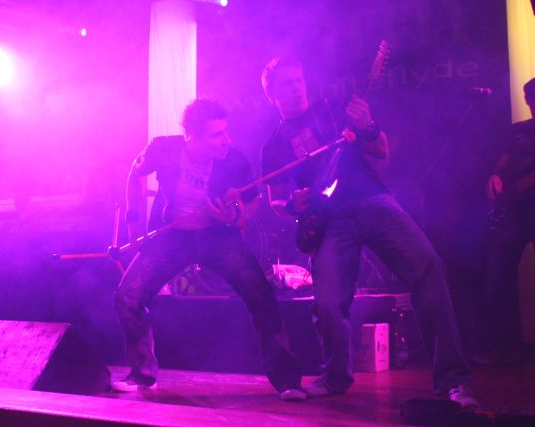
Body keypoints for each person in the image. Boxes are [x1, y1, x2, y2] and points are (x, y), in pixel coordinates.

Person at [260, 57, 478, 407]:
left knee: (429, 267)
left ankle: (454, 380)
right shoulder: (272, 146)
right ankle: (334, 377)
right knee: (328, 303)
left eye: (299, 79)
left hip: (372, 201)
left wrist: (369, 125)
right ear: (271, 94)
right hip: (328, 221)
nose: (297, 87)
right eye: (287, 83)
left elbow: (381, 150)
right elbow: (275, 202)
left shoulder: (332, 110)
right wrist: (292, 204)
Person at [112, 99, 304, 401]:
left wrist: (235, 216)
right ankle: (142, 372)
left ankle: (288, 380)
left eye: (226, 131)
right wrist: (133, 224)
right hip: (173, 237)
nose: (226, 140)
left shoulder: (235, 160)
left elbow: (253, 204)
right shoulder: (164, 149)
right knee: (128, 297)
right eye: (216, 135)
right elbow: (134, 174)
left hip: (218, 237)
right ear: (192, 137)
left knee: (261, 294)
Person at [479, 77, 535, 364]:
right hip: (515, 212)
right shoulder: (519, 130)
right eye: (531, 97)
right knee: (497, 275)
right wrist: (495, 176)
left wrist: (519, 189)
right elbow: (503, 161)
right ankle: (500, 346)